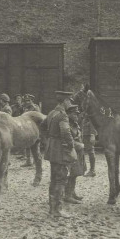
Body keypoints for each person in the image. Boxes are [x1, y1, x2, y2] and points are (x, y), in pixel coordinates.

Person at [43, 90, 76, 218]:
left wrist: (48, 140)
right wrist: (71, 146)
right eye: (69, 100)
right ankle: (57, 209)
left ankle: (52, 208)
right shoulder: (62, 115)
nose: (70, 102)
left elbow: (42, 126)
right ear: (65, 101)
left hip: (52, 149)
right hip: (60, 150)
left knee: (54, 179)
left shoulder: (52, 113)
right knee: (61, 179)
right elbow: (66, 132)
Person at [64, 104, 86, 204]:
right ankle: (67, 195)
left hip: (77, 153)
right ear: (68, 114)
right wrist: (80, 145)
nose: (77, 115)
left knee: (75, 173)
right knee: (70, 174)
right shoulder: (66, 125)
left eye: (77, 113)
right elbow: (67, 140)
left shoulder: (75, 124)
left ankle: (72, 192)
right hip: (70, 153)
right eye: (74, 113)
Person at [21, 94, 41, 166]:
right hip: (27, 128)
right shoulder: (25, 108)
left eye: (29, 100)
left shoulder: (35, 108)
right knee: (27, 144)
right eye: (26, 101)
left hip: (35, 128)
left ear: (32, 100)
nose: (27, 102)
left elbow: (39, 118)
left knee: (36, 145)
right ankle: (28, 161)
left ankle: (36, 162)